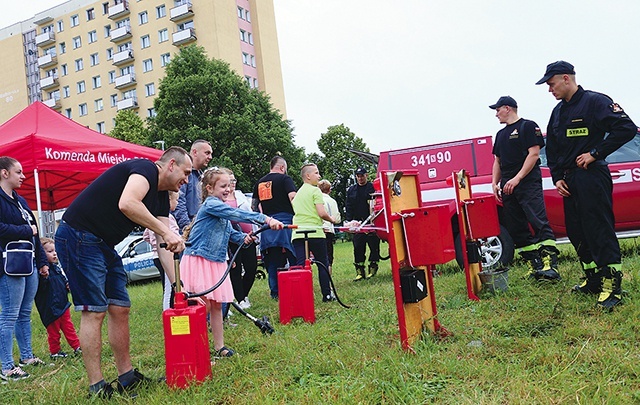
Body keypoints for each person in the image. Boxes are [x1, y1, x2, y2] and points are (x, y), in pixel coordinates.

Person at [55, 147, 191, 398]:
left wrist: (179, 288)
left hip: (103, 243)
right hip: (78, 236)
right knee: (94, 311)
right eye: (186, 172)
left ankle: (127, 378)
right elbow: (127, 203)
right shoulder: (145, 169)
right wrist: (167, 231)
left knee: (120, 307)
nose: (187, 180)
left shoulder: (161, 195)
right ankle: (97, 387)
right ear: (171, 164)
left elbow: (164, 245)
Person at [536, 60, 637, 310]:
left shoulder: (596, 102)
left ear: (566, 78)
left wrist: (595, 152)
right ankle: (593, 279)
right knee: (577, 231)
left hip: (592, 175)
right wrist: (557, 176)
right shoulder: (557, 112)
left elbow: (625, 129)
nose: (550, 90)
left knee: (598, 229)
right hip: (569, 180)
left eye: (551, 84)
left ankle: (612, 286)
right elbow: (555, 149)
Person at [180, 167, 283, 358]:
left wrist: (243, 238)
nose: (228, 189)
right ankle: (196, 346)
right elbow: (236, 215)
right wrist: (266, 219)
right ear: (209, 188)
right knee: (203, 305)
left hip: (216, 260)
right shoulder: (212, 205)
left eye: (229, 185)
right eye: (223, 186)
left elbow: (229, 232)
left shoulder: (219, 206)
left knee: (217, 305)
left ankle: (220, 347)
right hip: (200, 259)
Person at [489, 96, 560, 281]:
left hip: (527, 183)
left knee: (538, 220)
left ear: (507, 108)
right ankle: (533, 264)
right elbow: (497, 161)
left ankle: (549, 265)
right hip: (507, 186)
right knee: (516, 226)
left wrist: (517, 178)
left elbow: (534, 154)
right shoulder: (500, 134)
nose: (496, 114)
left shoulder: (527, 126)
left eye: (497, 110)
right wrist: (495, 183)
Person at [0, 156, 49, 381]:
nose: (23, 176)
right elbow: (20, 230)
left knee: (24, 313)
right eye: (19, 172)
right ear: (4, 173)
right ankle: (7, 367)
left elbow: (36, 232)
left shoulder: (21, 201)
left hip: (28, 263)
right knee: (9, 315)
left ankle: (27, 356)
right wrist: (25, 230)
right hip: (9, 266)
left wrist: (42, 262)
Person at [291, 164, 339, 302]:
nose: (319, 176)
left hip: (298, 233)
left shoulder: (298, 193)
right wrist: (332, 220)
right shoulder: (315, 191)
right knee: (322, 263)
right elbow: (321, 213)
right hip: (315, 232)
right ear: (308, 176)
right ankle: (327, 294)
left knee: (300, 265)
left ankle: (300, 296)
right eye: (316, 173)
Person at [251, 156, 297, 299]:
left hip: (268, 225)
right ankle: (296, 287)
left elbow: (254, 206)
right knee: (294, 257)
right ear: (282, 168)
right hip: (286, 223)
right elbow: (293, 198)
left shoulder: (259, 183)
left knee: (272, 261)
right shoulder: (285, 179)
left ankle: (275, 293)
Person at [34, 237, 81, 359]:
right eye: (49, 251)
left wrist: (67, 285)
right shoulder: (41, 272)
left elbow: (62, 281)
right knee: (54, 332)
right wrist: (44, 277)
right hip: (50, 308)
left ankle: (77, 347)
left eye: (54, 251)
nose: (54, 253)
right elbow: (40, 289)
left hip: (63, 304)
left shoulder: (56, 268)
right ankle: (55, 352)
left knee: (69, 327)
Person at [224, 169, 258, 310]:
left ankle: (243, 294)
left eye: (234, 180)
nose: (233, 183)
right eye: (230, 180)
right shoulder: (222, 198)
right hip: (231, 240)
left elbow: (250, 214)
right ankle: (240, 298)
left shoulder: (241, 195)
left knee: (251, 267)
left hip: (248, 236)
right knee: (235, 269)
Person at [143, 190, 180, 310]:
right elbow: (173, 236)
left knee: (166, 284)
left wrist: (154, 245)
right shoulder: (168, 219)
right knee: (169, 287)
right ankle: (168, 310)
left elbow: (145, 236)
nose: (177, 203)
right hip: (167, 256)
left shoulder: (152, 218)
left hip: (156, 256)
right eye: (176, 200)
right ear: (168, 200)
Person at [345, 167, 380, 281]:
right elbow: (348, 206)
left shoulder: (372, 187)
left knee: (374, 247)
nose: (360, 178)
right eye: (358, 176)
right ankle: (360, 271)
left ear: (366, 175)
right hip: (358, 225)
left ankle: (373, 268)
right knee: (358, 247)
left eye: (362, 176)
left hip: (372, 223)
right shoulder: (351, 190)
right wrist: (349, 221)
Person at [173, 139, 213, 232]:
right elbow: (178, 202)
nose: (210, 157)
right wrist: (189, 229)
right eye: (207, 153)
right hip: (186, 232)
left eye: (211, 154)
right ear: (195, 152)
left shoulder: (201, 176)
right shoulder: (184, 173)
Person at [318, 179, 341, 275]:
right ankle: (328, 280)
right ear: (329, 190)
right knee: (328, 257)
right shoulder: (332, 201)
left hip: (318, 230)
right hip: (329, 230)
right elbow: (337, 219)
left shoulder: (317, 200)